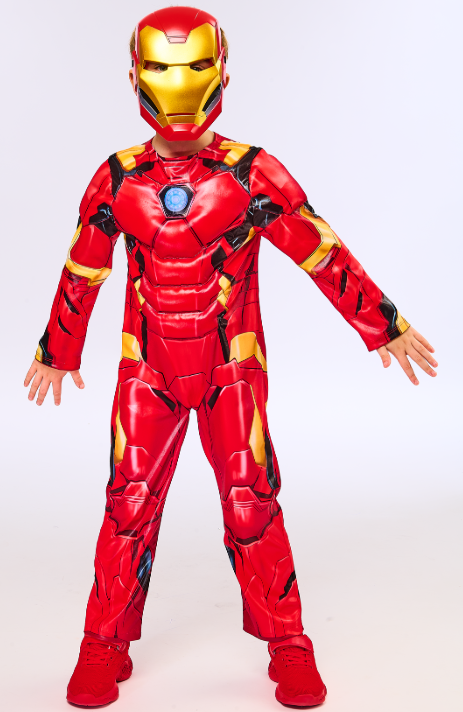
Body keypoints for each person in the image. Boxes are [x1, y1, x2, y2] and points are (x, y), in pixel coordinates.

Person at [24, 6, 438, 708]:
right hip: (147, 367)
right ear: (137, 75)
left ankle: (288, 643)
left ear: (218, 73)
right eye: (163, 68)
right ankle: (103, 641)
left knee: (252, 504)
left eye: (191, 67)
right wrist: (58, 348)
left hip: (230, 368)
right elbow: (83, 267)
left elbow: (318, 249)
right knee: (127, 504)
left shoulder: (251, 173)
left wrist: (382, 322)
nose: (178, 83)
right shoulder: (118, 177)